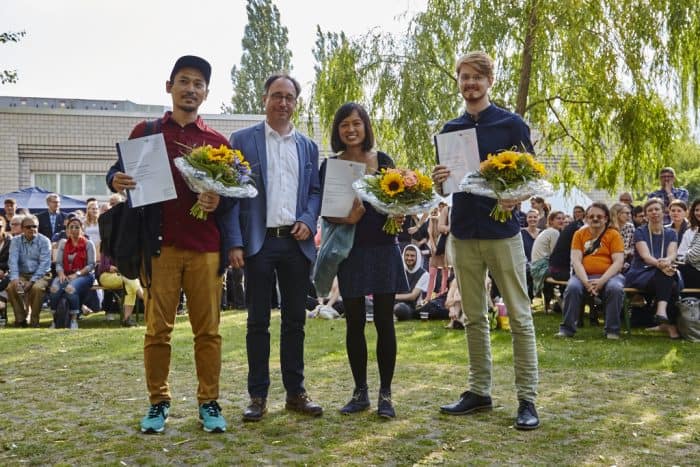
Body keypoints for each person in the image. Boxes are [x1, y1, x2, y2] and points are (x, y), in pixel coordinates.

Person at [107, 55, 237, 434]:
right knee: (157, 331)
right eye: (184, 81)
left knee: (208, 331)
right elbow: (117, 172)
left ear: (206, 93)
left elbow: (230, 196)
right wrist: (115, 178)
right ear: (170, 86)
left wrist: (219, 200)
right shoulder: (146, 132)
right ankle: (157, 404)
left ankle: (209, 402)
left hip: (206, 248)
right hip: (159, 248)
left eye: (198, 84)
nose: (191, 89)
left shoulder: (217, 142)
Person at [431, 51, 540, 430]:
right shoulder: (448, 129)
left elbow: (533, 179)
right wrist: (438, 177)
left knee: (520, 316)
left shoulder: (512, 125)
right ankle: (480, 391)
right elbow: (446, 187)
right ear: (458, 81)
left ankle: (527, 399)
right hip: (463, 231)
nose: (470, 83)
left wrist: (518, 196)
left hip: (503, 233)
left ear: (490, 81)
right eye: (464, 77)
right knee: (474, 317)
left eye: (477, 77)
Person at [228, 73, 322, 422]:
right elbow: (232, 192)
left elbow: (315, 191)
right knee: (257, 322)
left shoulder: (308, 147)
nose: (283, 102)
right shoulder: (242, 140)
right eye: (276, 96)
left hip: (296, 244)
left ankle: (296, 393)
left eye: (289, 97)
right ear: (264, 99)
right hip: (258, 244)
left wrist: (309, 220)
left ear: (296, 102)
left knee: (295, 322)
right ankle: (257, 396)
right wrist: (234, 241)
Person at [318, 102, 409, 418]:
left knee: (385, 322)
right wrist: (348, 217)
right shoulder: (331, 165)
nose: (351, 129)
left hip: (384, 249)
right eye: (344, 125)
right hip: (351, 251)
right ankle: (360, 393)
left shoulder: (383, 161)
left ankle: (386, 395)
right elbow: (326, 212)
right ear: (337, 131)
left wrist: (399, 216)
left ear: (365, 126)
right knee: (354, 323)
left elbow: (398, 203)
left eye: (356, 123)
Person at [556, 203, 625, 339]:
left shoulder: (614, 235)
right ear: (586, 218)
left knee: (615, 288)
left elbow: (618, 262)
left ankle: (612, 331)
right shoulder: (579, 234)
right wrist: (587, 283)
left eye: (599, 216)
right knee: (573, 288)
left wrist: (601, 281)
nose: (595, 219)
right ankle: (567, 329)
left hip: (609, 276)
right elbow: (576, 261)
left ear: (606, 218)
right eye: (591, 216)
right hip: (583, 275)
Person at [624, 198, 681, 339]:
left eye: (657, 209)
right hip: (641, 272)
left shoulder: (671, 233)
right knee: (669, 279)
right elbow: (646, 256)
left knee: (671, 280)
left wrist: (667, 261)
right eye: (650, 210)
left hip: (664, 270)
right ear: (646, 214)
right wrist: (661, 265)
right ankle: (667, 321)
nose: (654, 212)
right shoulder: (640, 232)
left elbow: (672, 253)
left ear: (663, 212)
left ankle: (663, 318)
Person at [49, 217, 96, 329]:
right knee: (54, 289)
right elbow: (59, 263)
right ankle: (55, 320)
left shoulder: (88, 244)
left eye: (77, 227)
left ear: (82, 229)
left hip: (85, 275)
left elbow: (91, 265)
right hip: (65, 274)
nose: (74, 229)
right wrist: (60, 274)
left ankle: (74, 320)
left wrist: (77, 274)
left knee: (70, 289)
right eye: (71, 227)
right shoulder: (63, 243)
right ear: (67, 230)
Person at [6, 215, 52, 327]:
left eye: (34, 226)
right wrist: (16, 280)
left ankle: (34, 321)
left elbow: (44, 265)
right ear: (22, 229)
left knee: (37, 288)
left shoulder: (44, 241)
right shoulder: (15, 241)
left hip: (41, 275)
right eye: (28, 227)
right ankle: (21, 319)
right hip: (22, 274)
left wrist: (31, 282)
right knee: (11, 287)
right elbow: (13, 261)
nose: (32, 229)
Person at [393, 244, 429, 321]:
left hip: (407, 306)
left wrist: (392, 297)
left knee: (400, 309)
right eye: (407, 255)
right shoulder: (398, 270)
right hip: (392, 302)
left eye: (412, 256)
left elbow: (413, 296)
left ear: (417, 257)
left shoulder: (424, 274)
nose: (409, 258)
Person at [677, 198, 700, 288]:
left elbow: (694, 255)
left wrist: (686, 257)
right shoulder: (691, 230)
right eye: (697, 210)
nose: (698, 213)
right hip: (691, 268)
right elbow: (680, 254)